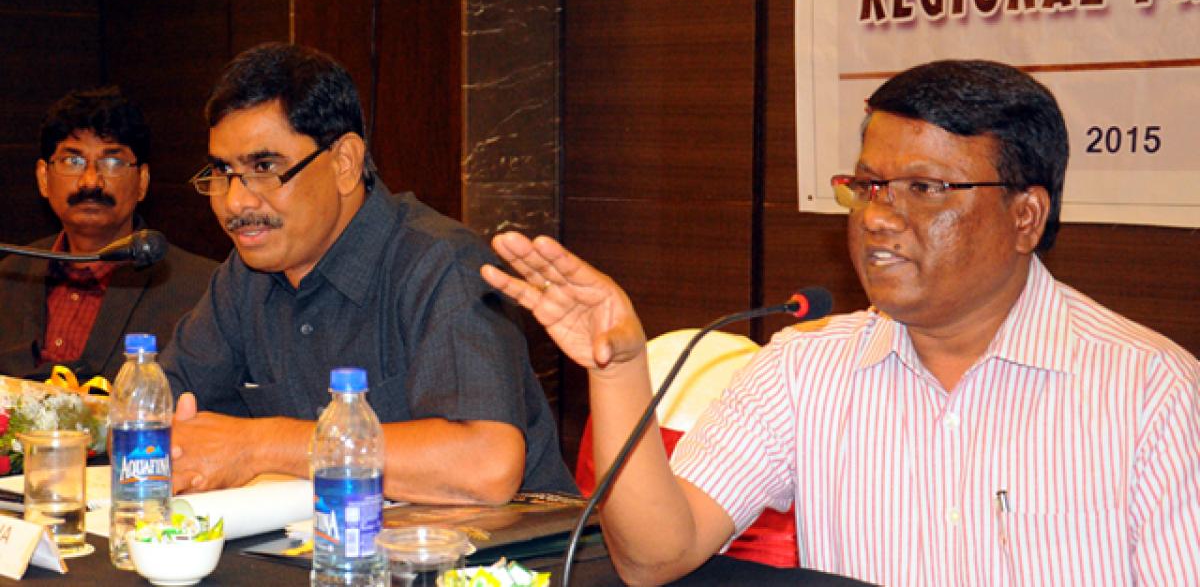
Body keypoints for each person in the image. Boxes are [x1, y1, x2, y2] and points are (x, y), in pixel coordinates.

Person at [481, 60, 1200, 585]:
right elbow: (654, 555)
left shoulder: (1148, 391)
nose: (879, 217)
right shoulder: (804, 366)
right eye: (868, 186)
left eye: (924, 188)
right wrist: (617, 368)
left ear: (1025, 216)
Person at [163, 42, 576, 504]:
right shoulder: (245, 277)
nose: (236, 201)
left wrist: (261, 444)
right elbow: (161, 411)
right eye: (223, 171)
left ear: (344, 163)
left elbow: (486, 466)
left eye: (264, 167)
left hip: (497, 561)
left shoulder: (441, 263)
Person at [0, 88, 216, 382]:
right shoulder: (8, 275)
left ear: (142, 181)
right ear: (43, 178)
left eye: (112, 162)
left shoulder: (201, 288)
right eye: (72, 161)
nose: (91, 181)